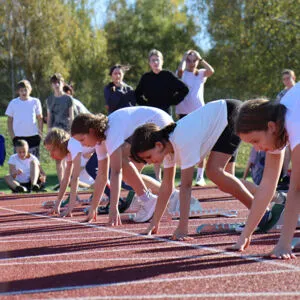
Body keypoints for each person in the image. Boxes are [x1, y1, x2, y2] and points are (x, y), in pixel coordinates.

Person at [130, 99, 280, 240]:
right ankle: (266, 205)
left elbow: (186, 186)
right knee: (222, 180)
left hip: (229, 113)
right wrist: (154, 222)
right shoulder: (167, 149)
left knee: (214, 171)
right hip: (221, 117)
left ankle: (261, 213)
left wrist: (182, 227)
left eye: (148, 157)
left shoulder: (181, 141)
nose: (149, 162)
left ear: (158, 145)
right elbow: (166, 186)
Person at [71, 106, 174, 225]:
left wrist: (114, 207)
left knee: (121, 161)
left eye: (82, 139)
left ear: (91, 131)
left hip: (158, 123)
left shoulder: (110, 133)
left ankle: (150, 199)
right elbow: (102, 175)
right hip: (150, 123)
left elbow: (116, 171)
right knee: (129, 175)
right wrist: (93, 208)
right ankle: (153, 197)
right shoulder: (100, 142)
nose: (82, 145)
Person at [231, 82, 300, 259]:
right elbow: (266, 186)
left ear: (270, 127)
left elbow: (296, 189)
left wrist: (284, 244)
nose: (258, 149)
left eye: (255, 141)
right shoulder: (277, 126)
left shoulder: (294, 123)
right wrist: (246, 233)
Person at [135, 49, 188, 181]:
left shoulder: (167, 76)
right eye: (153, 60)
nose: (155, 62)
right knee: (154, 145)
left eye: (158, 59)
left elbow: (184, 89)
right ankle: (158, 178)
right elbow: (137, 94)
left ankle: (170, 178)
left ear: (162, 61)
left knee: (170, 144)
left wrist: (172, 101)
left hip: (165, 115)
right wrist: (145, 106)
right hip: (151, 116)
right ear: (149, 63)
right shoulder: (146, 78)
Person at [176, 49, 215, 186]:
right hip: (183, 113)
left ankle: (199, 177)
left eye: (194, 60)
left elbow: (212, 71)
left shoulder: (201, 74)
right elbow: (179, 70)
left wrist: (201, 58)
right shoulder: (180, 74)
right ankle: (184, 177)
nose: (191, 63)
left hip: (199, 113)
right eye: (189, 60)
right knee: (184, 146)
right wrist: (183, 57)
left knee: (200, 145)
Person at [46, 73, 74, 187]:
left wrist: (72, 132)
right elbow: (49, 117)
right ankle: (62, 182)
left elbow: (71, 116)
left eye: (58, 82)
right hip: (54, 132)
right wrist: (48, 131)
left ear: (62, 83)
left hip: (66, 131)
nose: (56, 85)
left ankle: (68, 181)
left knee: (68, 157)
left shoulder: (68, 98)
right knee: (58, 158)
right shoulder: (49, 99)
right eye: (54, 83)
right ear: (51, 85)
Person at [5, 80, 43, 159]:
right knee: (20, 162)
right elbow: (9, 121)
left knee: (34, 162)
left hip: (33, 136)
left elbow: (40, 118)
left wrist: (40, 134)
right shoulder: (13, 103)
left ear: (30, 90)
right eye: (21, 90)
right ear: (18, 91)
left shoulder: (35, 101)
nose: (24, 92)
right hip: (18, 137)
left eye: (26, 90)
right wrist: (13, 136)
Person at [275, 69, 296, 185]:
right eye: (284, 79)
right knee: (287, 151)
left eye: (288, 78)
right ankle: (284, 176)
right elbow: (277, 110)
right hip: (287, 125)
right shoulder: (281, 94)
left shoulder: (298, 90)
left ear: (294, 78)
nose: (286, 81)